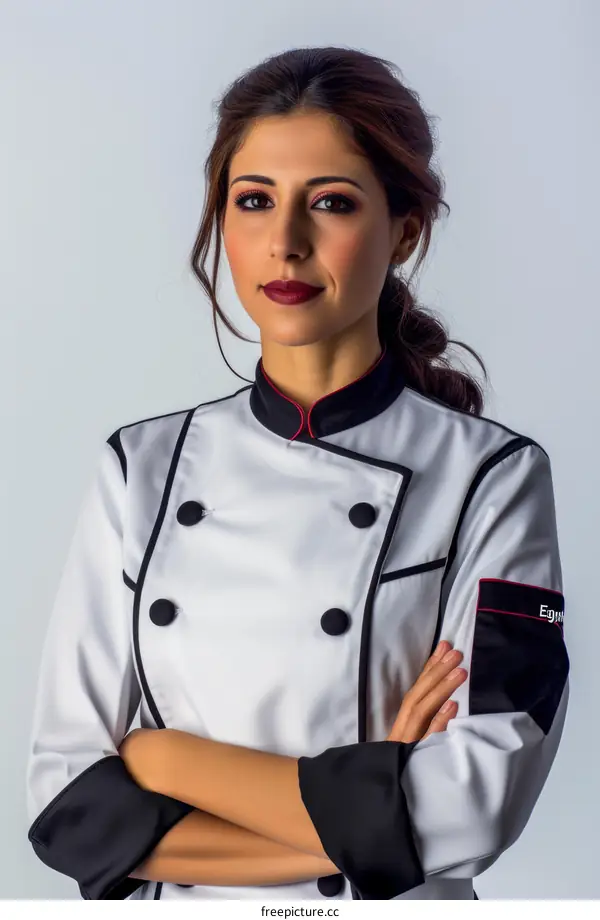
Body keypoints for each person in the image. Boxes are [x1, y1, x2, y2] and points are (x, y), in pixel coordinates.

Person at [25, 46, 569, 901]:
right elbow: (67, 809)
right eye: (254, 201)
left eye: (331, 202)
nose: (285, 243)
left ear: (406, 231)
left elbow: (476, 807)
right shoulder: (140, 468)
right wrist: (371, 812)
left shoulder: (490, 478)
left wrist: (166, 759)